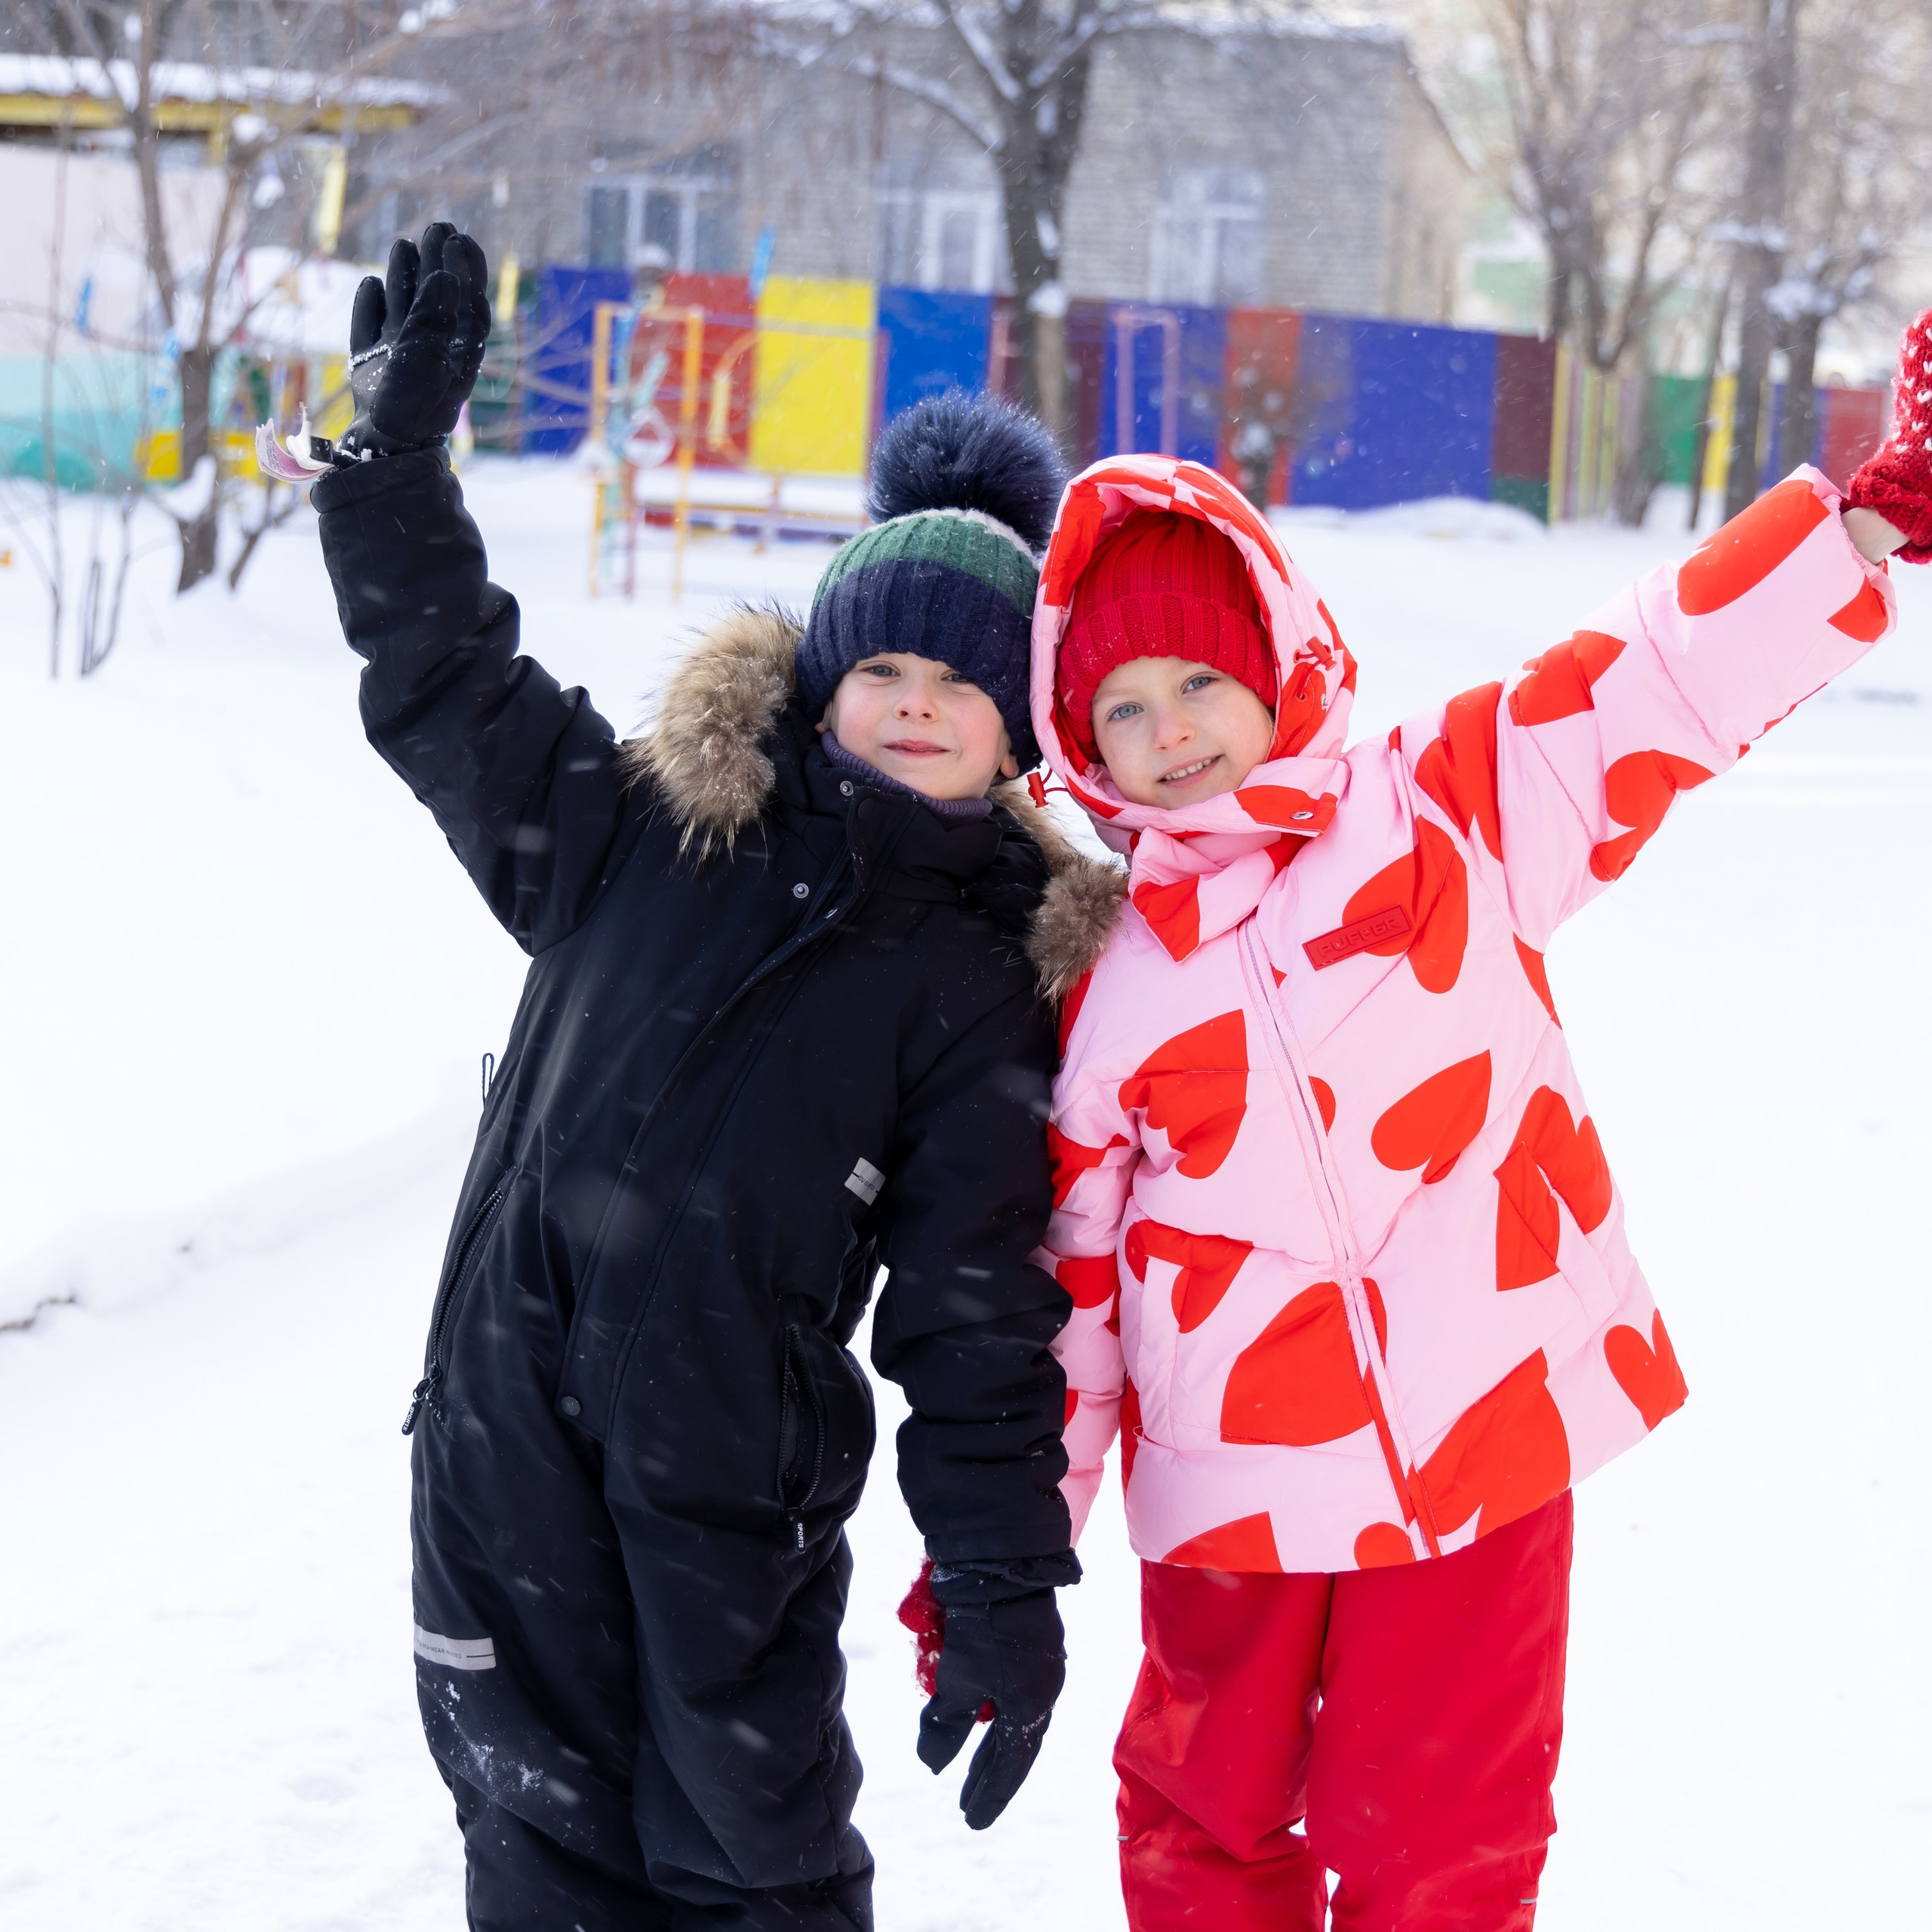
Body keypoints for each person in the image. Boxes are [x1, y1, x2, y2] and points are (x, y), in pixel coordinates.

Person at [1025, 317, 1930, 1929]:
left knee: (1442, 1834)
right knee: (1192, 1819)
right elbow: (1073, 1285)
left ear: (1271, 651)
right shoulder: (1109, 986)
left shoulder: (1442, 803)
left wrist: (1861, 518)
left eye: (1196, 679)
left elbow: (1645, 675)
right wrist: (1012, 1537)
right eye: (1121, 712)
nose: (1167, 729)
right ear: (1078, 750)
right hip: (1232, 1483)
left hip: (1476, 1437)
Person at [309, 223, 1112, 1931]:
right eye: (882, 665)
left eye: (962, 682)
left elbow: (973, 1315)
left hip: (722, 1499)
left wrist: (995, 1574)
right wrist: (389, 476)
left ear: (1017, 730)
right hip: (495, 1444)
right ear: (824, 680)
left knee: (756, 1859)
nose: (913, 704)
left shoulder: (976, 982)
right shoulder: (641, 823)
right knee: (532, 1842)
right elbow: (450, 677)